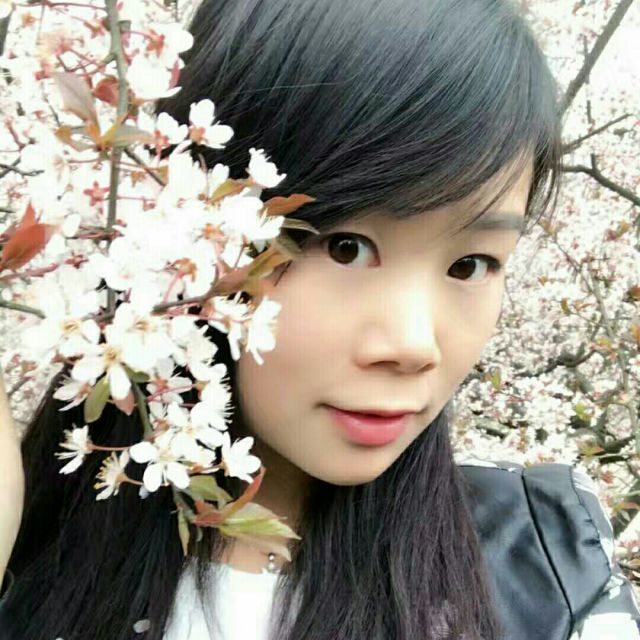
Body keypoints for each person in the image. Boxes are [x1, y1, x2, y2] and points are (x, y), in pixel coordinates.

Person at [0, 0, 639, 638]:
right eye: (345, 247)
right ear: (184, 222)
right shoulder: (24, 547)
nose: (414, 345)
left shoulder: (551, 565)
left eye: (471, 265)